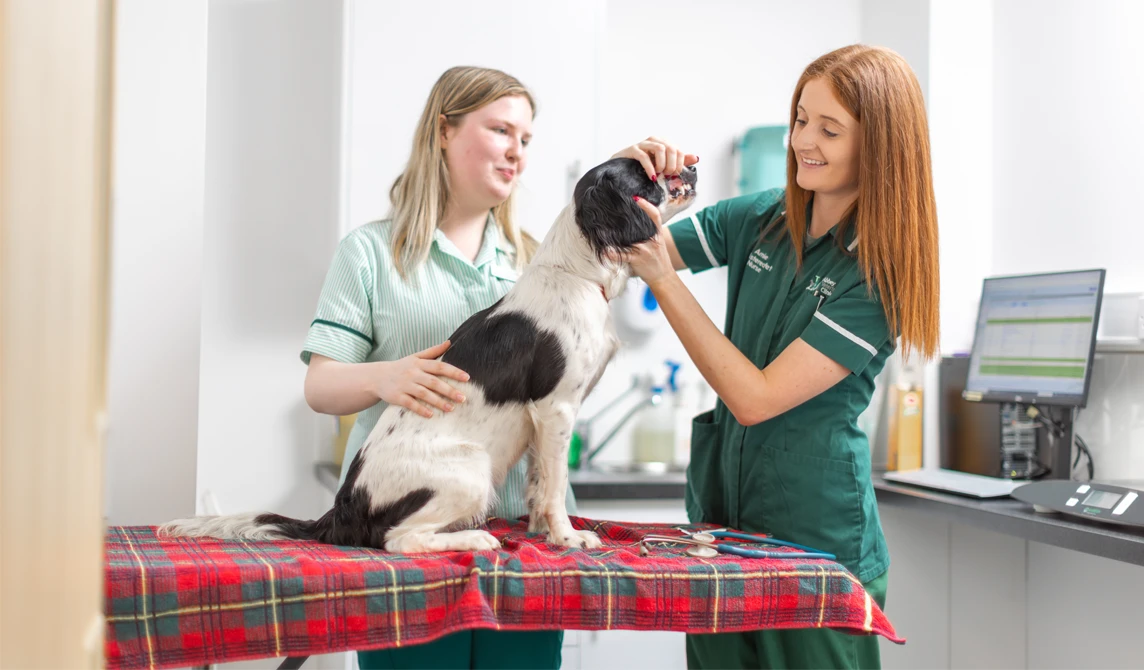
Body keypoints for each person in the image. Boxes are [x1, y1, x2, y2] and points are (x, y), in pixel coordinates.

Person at [613, 44, 939, 669]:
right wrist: (636, 178)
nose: (801, 141)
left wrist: (664, 280)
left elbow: (755, 398)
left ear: (881, 147)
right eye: (800, 118)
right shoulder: (762, 217)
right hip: (726, 534)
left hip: (815, 548)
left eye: (829, 128)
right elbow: (627, 249)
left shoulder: (877, 276)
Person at [300, 65, 571, 670]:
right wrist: (383, 377)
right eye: (502, 130)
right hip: (404, 531)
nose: (517, 153)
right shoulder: (371, 253)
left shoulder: (539, 265)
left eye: (526, 140)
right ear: (444, 131)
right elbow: (320, 386)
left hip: (519, 534)